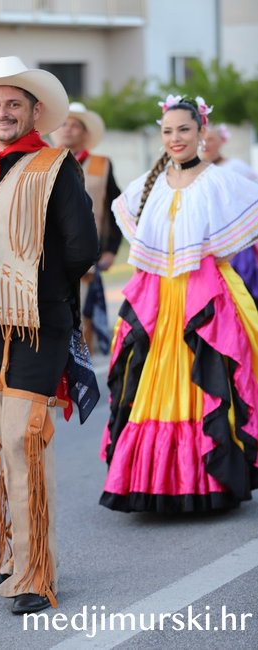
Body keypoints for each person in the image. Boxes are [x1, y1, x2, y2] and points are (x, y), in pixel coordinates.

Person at [0, 57, 98, 614]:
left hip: (37, 323)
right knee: (0, 436)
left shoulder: (56, 166)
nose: (3, 112)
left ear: (35, 110)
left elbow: (82, 246)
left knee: (24, 439)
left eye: (14, 103)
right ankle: (13, 559)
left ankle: (38, 571)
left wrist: (34, 289)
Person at [99, 95, 258, 515]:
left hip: (202, 298)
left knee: (203, 381)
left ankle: (206, 481)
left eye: (184, 129)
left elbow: (239, 229)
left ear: (201, 131)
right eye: (168, 131)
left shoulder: (220, 181)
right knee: (151, 382)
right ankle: (155, 480)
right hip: (157, 301)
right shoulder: (149, 184)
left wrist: (216, 256)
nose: (175, 138)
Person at [52, 102, 122, 355]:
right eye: (63, 124)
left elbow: (115, 208)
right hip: (51, 256)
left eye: (75, 125)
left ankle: (82, 366)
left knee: (82, 317)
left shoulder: (101, 164)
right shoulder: (44, 162)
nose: (68, 129)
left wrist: (111, 249)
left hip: (86, 258)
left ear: (85, 133)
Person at [203, 123, 258, 308]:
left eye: (211, 139)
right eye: (203, 139)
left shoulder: (236, 167)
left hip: (237, 243)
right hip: (209, 245)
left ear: (221, 141)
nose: (206, 144)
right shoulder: (195, 172)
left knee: (243, 290)